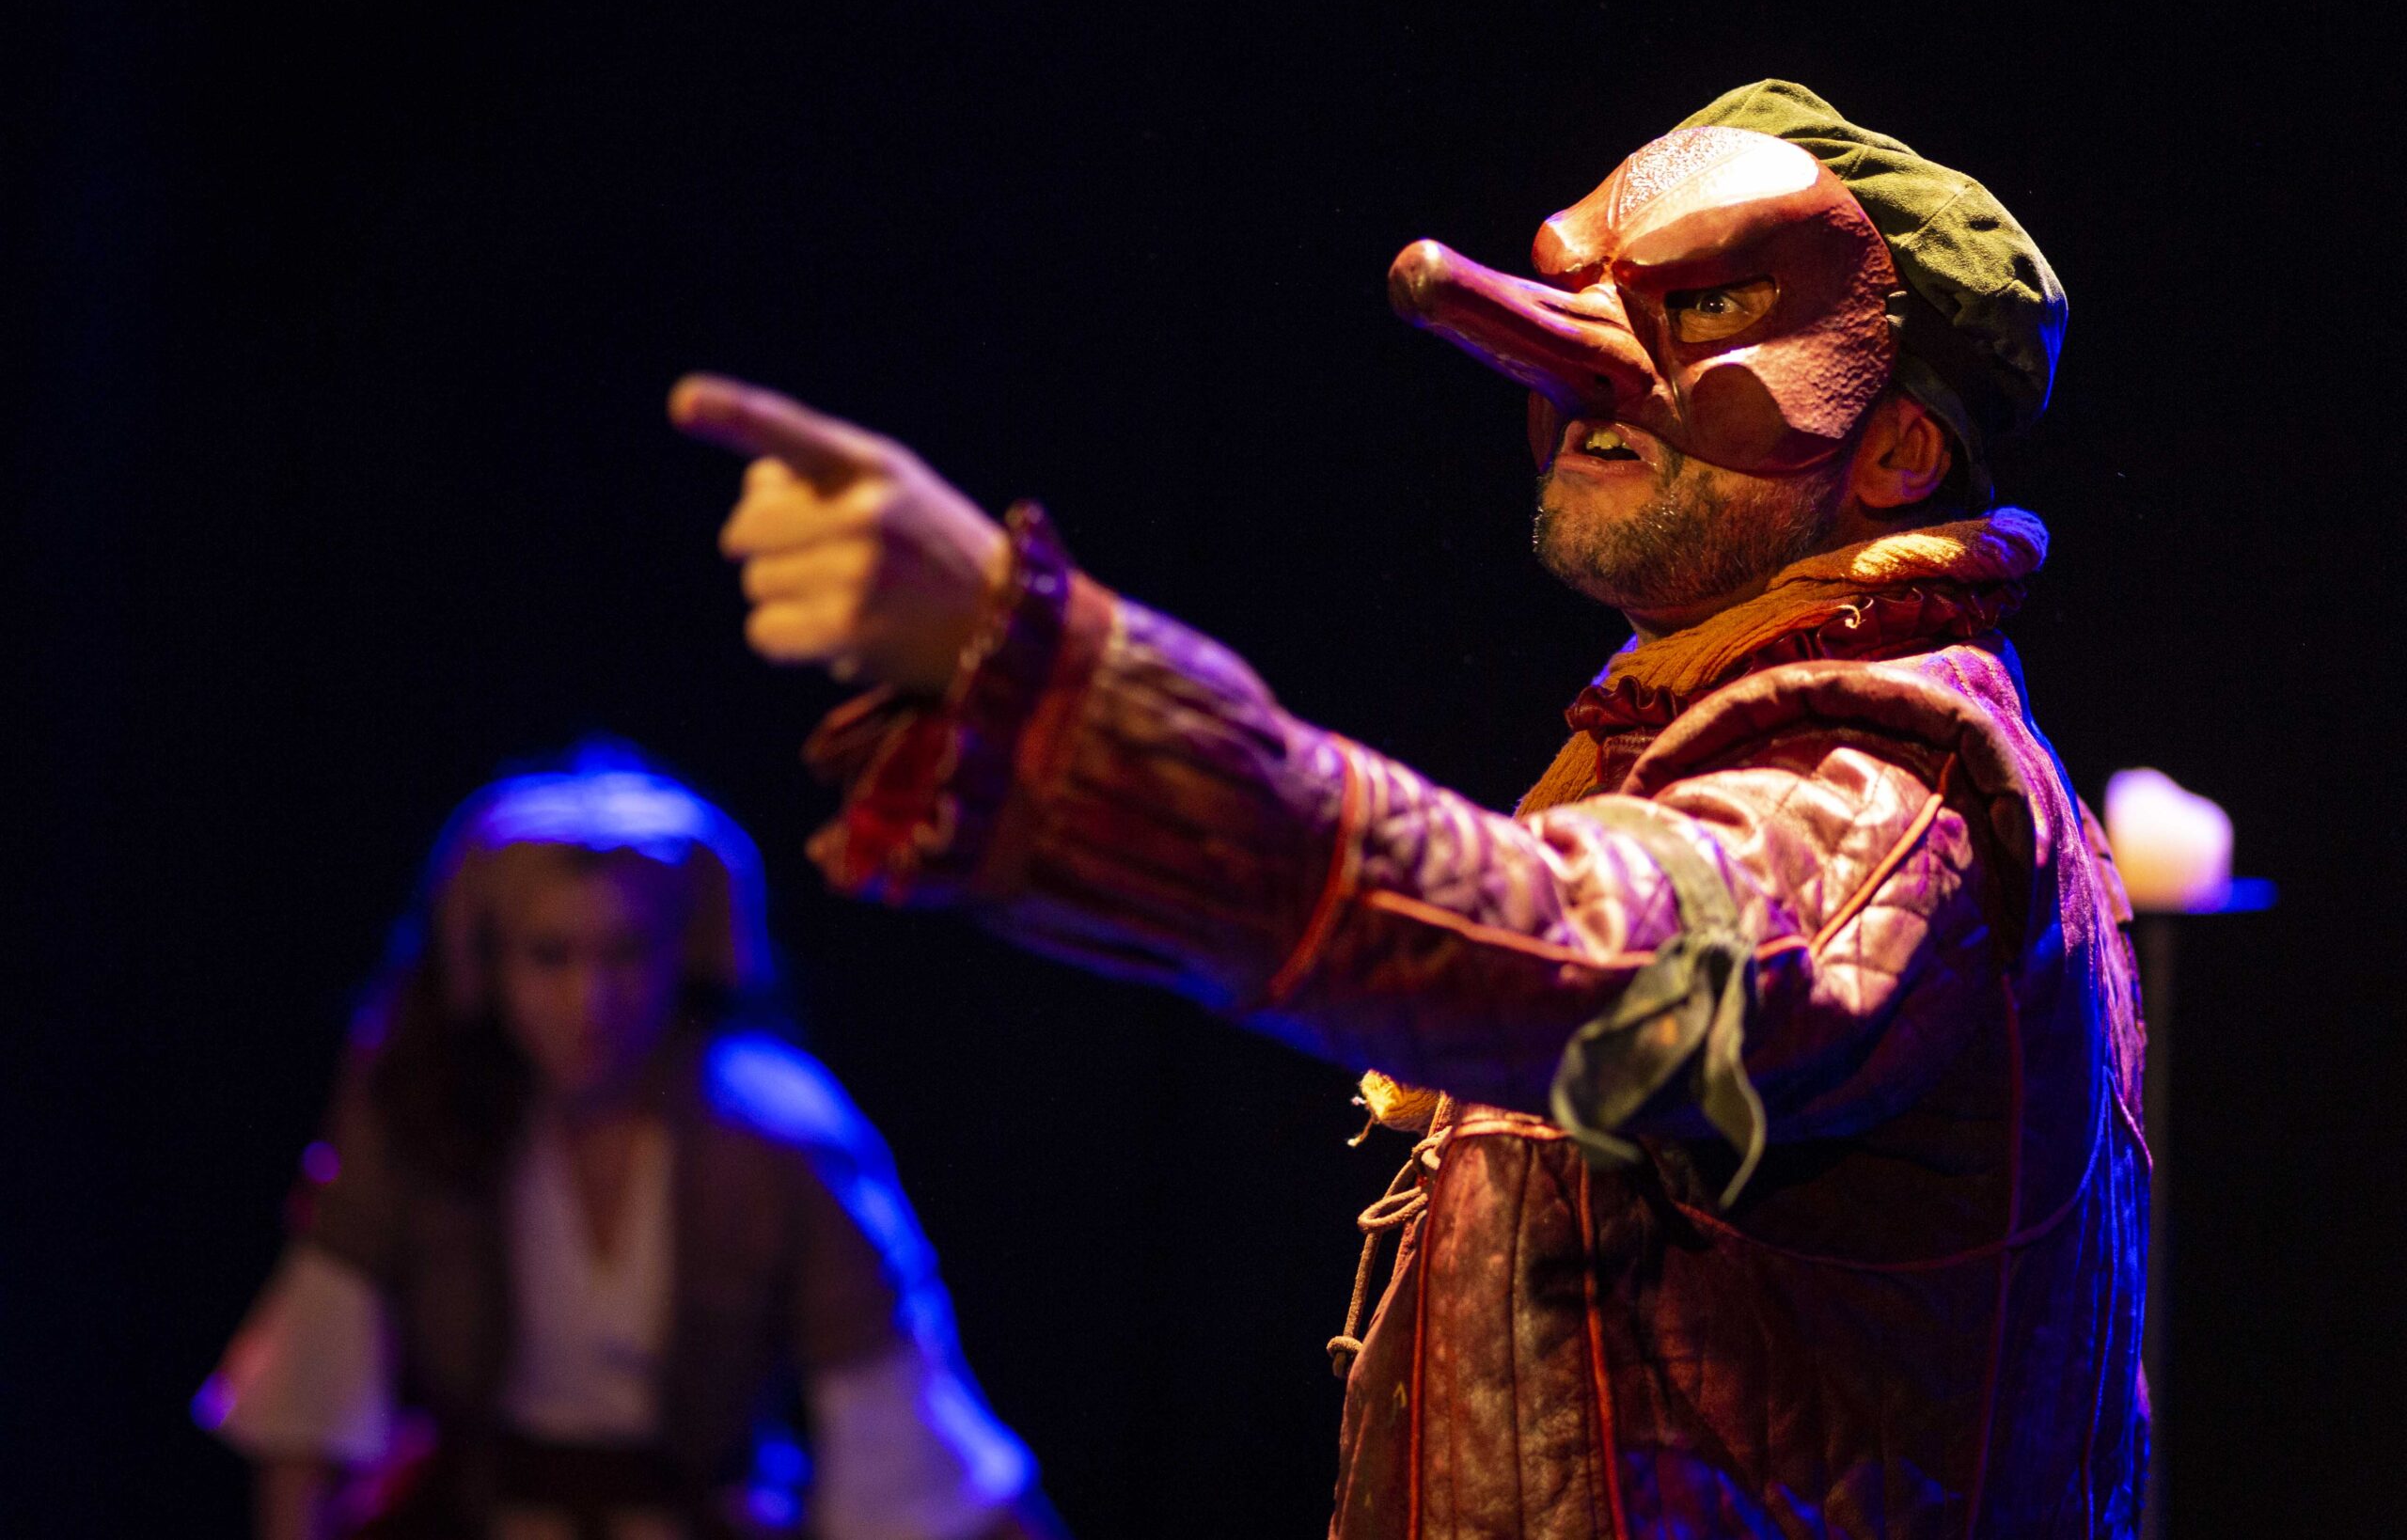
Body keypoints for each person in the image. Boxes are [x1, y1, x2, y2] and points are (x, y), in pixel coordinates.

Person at [670, 79, 2147, 1537]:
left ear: (1896, 452)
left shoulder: (1897, 782)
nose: (1582, 364)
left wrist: (1046, 672)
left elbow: (1589, 955)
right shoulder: (1685, 744)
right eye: (1589, 297)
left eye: (1704, 307)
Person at [197, 748, 1065, 1540]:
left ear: (681, 956)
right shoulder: (422, 1116)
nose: (591, 1003)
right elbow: (310, 1407)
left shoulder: (774, 1138)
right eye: (551, 957)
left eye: (626, 954)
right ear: (490, 965)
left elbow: (905, 1433)